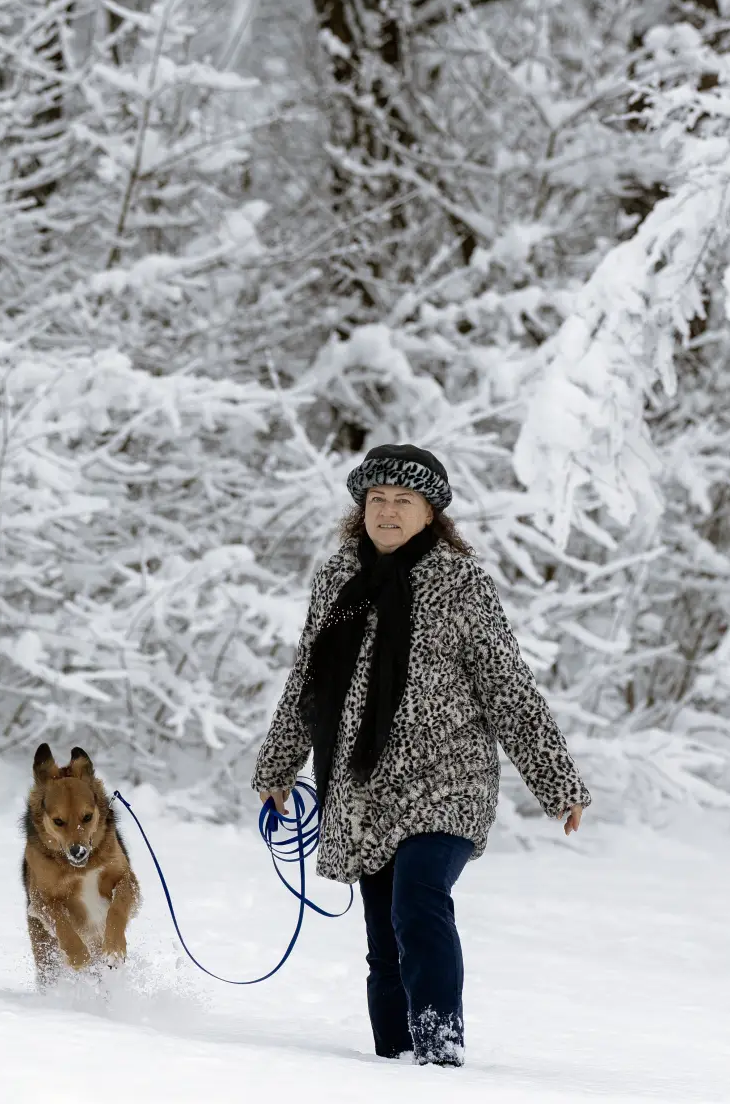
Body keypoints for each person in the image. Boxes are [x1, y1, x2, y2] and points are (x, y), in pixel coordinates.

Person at [253, 443, 591, 1066]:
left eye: (402, 501)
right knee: (383, 938)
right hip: (365, 786)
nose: (387, 512)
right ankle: (394, 1060)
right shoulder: (338, 580)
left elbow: (506, 685)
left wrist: (556, 781)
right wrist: (279, 766)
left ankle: (439, 1050)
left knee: (418, 896)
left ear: (430, 513)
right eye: (376, 500)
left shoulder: (458, 584)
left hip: (449, 781)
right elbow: (309, 678)